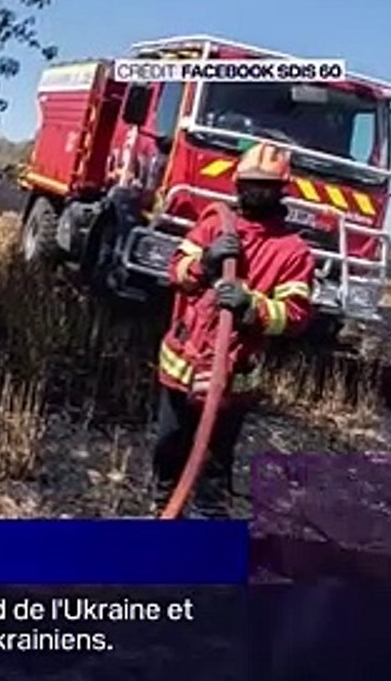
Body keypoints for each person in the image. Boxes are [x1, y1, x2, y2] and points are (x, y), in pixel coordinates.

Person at [151, 142, 315, 518]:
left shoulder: (292, 252)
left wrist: (251, 305)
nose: (254, 191)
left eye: (264, 184)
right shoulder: (213, 225)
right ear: (237, 184)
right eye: (249, 183)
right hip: (182, 363)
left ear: (280, 190)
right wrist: (205, 263)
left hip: (231, 376)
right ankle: (162, 512)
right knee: (168, 445)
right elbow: (176, 270)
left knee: (212, 461)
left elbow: (295, 315)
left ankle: (206, 535)